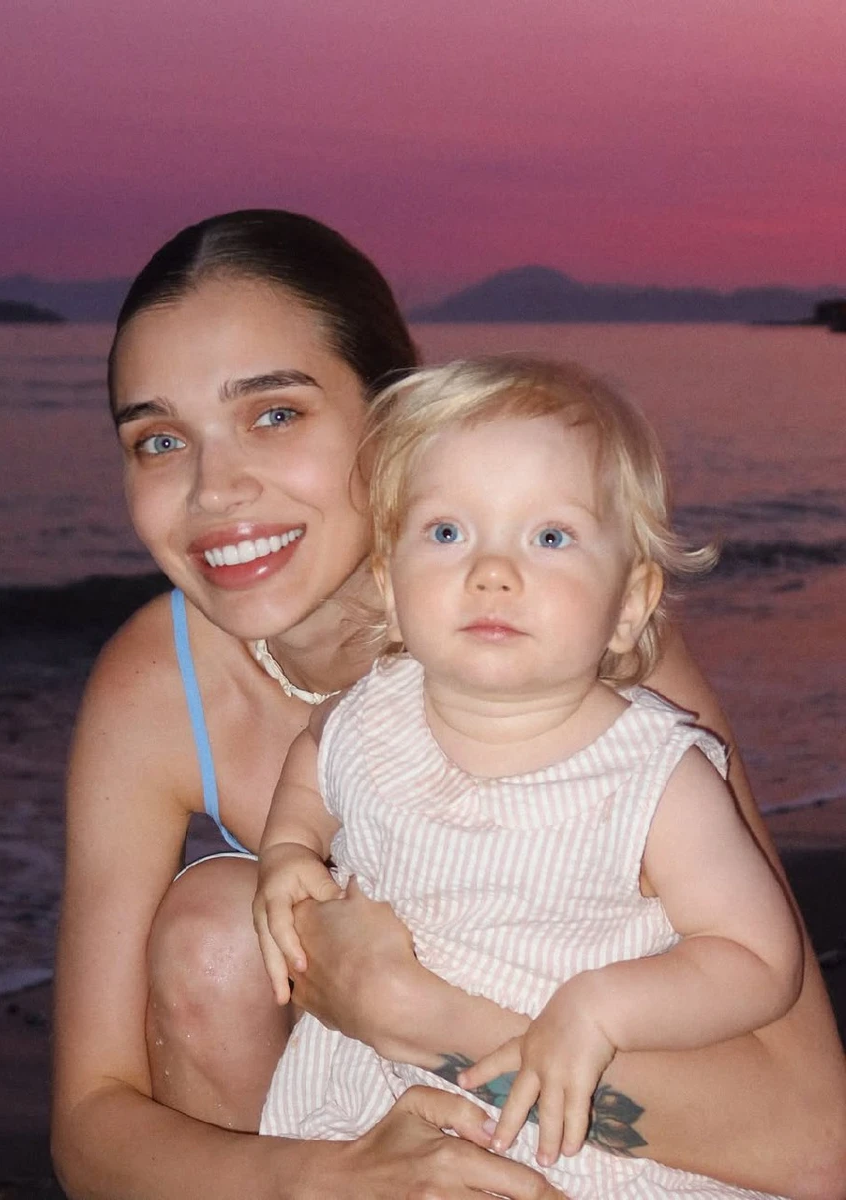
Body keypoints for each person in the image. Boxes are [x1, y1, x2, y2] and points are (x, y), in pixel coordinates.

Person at [50, 209, 846, 1200]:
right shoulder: (157, 686)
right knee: (216, 931)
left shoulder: (580, 654)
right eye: (160, 440)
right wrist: (321, 1180)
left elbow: (817, 1145)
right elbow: (89, 1127)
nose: (215, 491)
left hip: (582, 1125)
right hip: (345, 1129)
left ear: (396, 422)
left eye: (275, 414)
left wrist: (415, 1014)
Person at [253, 356, 804, 1197]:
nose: (492, 570)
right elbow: (313, 760)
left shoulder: (653, 778)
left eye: (550, 538)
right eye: (447, 533)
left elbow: (758, 960)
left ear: (630, 604)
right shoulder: (373, 712)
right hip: (378, 1110)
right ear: (390, 588)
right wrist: (290, 847)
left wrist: (604, 1008)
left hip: (577, 1150)